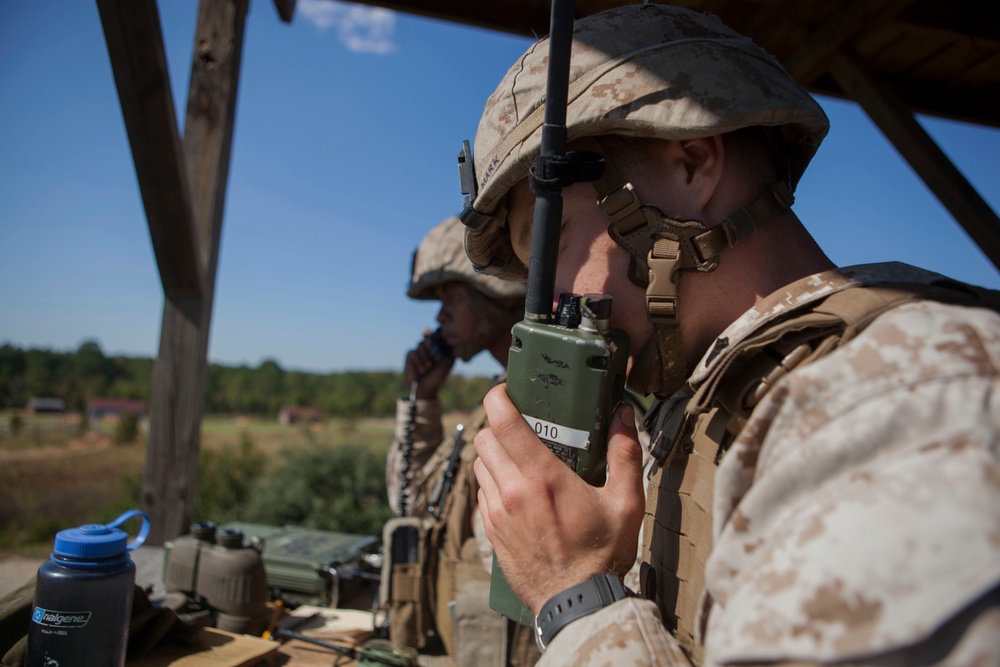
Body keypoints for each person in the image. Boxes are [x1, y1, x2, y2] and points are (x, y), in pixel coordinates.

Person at [459, 4, 1000, 665]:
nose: (546, 304)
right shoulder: (714, 407)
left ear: (692, 163)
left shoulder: (902, 404)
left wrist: (574, 592)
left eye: (556, 239)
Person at [382, 215, 540, 666]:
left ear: (497, 293)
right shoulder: (496, 402)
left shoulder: (539, 409)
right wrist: (423, 400)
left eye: (452, 297)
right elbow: (410, 503)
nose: (439, 316)